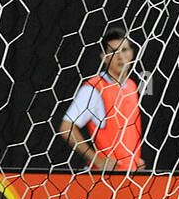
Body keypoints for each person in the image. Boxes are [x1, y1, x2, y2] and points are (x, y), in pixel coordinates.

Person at [58, 28, 146, 172]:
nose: (120, 57)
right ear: (104, 57)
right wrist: (97, 160)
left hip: (128, 175)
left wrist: (135, 160)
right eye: (113, 52)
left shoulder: (131, 86)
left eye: (124, 50)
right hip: (103, 178)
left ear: (131, 53)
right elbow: (66, 128)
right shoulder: (94, 88)